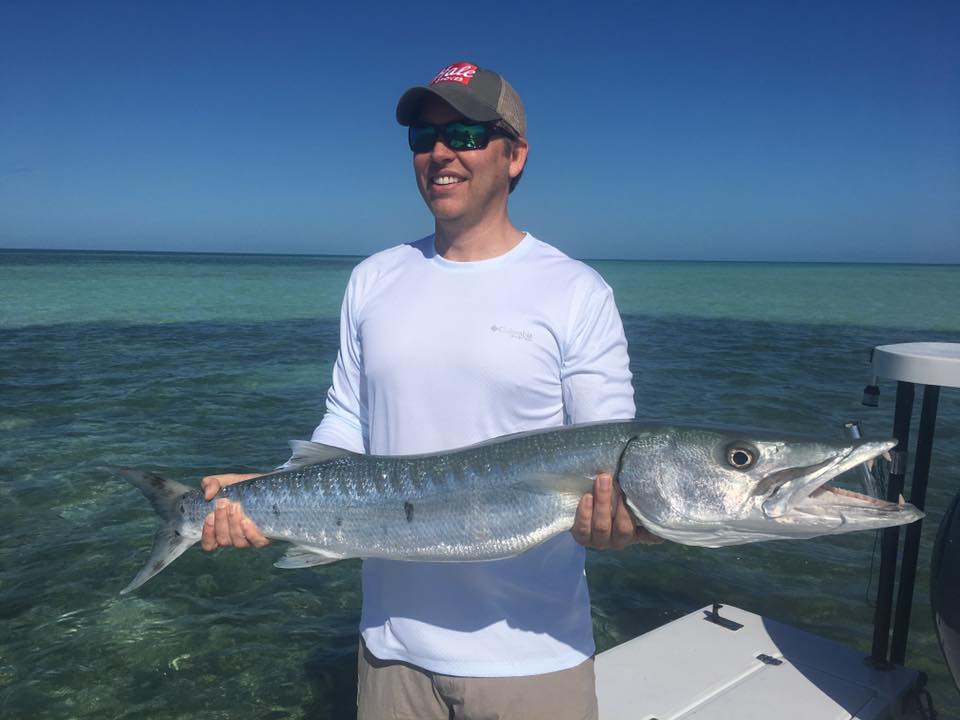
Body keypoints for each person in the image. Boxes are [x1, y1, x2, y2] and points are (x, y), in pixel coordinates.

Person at [200, 61, 659, 720]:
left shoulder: (576, 291)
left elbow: (608, 458)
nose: (441, 152)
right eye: (424, 137)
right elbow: (345, 424)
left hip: (534, 656)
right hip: (390, 651)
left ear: (515, 156)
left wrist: (633, 520)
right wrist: (268, 491)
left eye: (466, 134)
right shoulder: (373, 278)